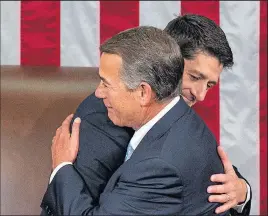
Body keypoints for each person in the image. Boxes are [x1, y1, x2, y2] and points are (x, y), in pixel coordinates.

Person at [40, 14, 251, 215]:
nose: (201, 95)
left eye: (210, 85)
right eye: (195, 77)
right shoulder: (102, 117)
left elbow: (198, 169)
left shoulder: (177, 120)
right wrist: (62, 168)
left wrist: (243, 191)